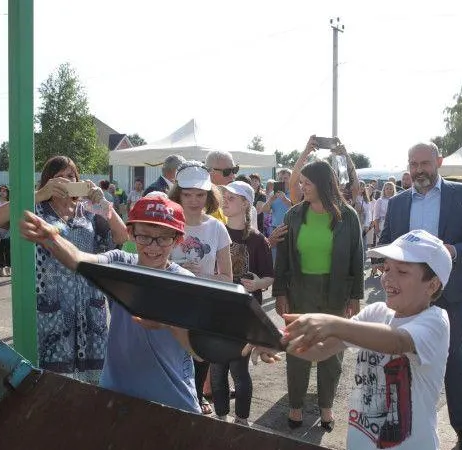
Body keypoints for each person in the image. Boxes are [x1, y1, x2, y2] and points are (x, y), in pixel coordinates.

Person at [17, 194, 279, 413]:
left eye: (163, 238)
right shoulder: (120, 263)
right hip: (117, 396)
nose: (153, 247)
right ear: (131, 233)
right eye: (144, 236)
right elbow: (78, 260)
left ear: (177, 240)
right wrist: (48, 238)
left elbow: (199, 351)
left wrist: (167, 322)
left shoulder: (185, 281)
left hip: (173, 401)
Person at [282, 229, 451, 449]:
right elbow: (321, 350)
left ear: (432, 285)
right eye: (387, 268)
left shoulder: (435, 321)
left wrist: (334, 323)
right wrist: (272, 339)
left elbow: (398, 342)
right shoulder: (377, 312)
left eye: (402, 271)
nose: (388, 277)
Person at [379, 142, 462, 450]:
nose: (419, 170)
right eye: (413, 164)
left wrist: (455, 251)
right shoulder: (400, 202)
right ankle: (401, 425)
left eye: (425, 163)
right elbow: (387, 238)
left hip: (451, 291)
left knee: (453, 360)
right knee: (401, 358)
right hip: (408, 295)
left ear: (439, 162)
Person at [0, 156, 129, 383]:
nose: (66, 181)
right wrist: (39, 194)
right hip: (51, 305)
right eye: (59, 177)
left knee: (94, 381)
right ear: (47, 181)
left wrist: (103, 204)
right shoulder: (36, 209)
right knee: (51, 377)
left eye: (70, 176)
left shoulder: (90, 212)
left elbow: (122, 236)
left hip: (89, 304)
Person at [273, 160, 364, 431]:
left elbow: (356, 258)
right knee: (297, 348)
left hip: (336, 291)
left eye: (306, 183)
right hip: (299, 290)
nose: (301, 188)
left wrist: (355, 296)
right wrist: (279, 291)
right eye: (301, 183)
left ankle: (326, 407)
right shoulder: (294, 215)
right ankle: (296, 406)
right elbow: (284, 258)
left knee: (332, 354)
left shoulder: (347, 216)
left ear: (323, 184)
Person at [168, 161, 233, 414]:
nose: (194, 200)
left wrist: (203, 276)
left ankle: (195, 398)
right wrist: (176, 267)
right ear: (178, 194)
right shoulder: (168, 222)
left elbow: (227, 276)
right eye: (187, 194)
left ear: (209, 195)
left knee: (199, 354)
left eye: (200, 194)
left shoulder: (217, 227)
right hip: (171, 300)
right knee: (171, 352)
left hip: (203, 303)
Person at [209, 181, 275, 425]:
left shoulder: (257, 240)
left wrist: (258, 284)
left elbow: (270, 275)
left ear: (246, 203)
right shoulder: (216, 231)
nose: (225, 200)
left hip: (243, 315)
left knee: (238, 370)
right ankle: (219, 417)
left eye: (231, 197)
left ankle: (242, 421)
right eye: (224, 196)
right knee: (216, 370)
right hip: (216, 311)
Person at [370, 181, 396, 276]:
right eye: (387, 188)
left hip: (393, 225)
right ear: (384, 190)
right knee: (381, 247)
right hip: (382, 225)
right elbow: (376, 216)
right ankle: (376, 269)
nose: (389, 190)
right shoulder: (380, 201)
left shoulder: (396, 200)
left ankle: (388, 269)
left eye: (390, 188)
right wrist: (377, 228)